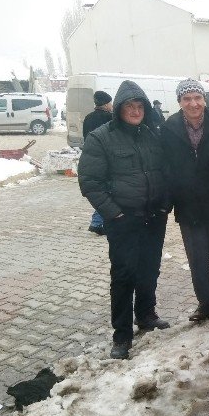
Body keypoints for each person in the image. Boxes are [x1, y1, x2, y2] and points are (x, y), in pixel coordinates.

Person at [78, 80, 172, 359]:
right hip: (123, 220)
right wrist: (113, 213)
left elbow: (167, 173)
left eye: (139, 105)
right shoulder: (101, 137)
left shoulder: (152, 135)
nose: (135, 110)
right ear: (118, 109)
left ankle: (146, 314)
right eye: (129, 106)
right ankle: (121, 335)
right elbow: (90, 182)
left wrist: (165, 206)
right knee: (123, 276)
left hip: (153, 217)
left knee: (149, 269)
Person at [161, 79, 209, 323]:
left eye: (197, 98)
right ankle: (204, 305)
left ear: (204, 99)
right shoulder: (169, 128)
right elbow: (166, 168)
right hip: (188, 207)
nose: (193, 103)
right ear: (180, 102)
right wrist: (169, 200)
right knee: (197, 260)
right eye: (187, 99)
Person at [82, 90, 113, 236]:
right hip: (107, 159)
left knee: (100, 190)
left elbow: (85, 137)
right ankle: (96, 222)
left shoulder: (88, 118)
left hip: (91, 157)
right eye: (110, 103)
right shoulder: (109, 118)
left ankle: (97, 222)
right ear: (106, 104)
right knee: (108, 191)